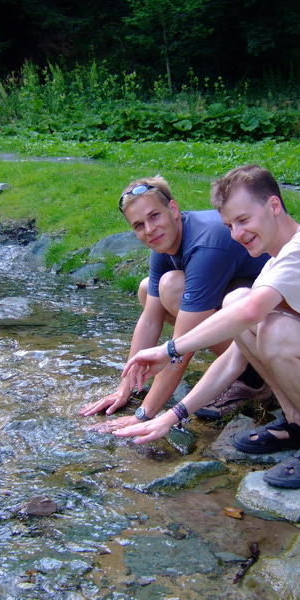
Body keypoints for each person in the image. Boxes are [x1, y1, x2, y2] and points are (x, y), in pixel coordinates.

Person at [114, 165, 300, 489]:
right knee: (237, 301)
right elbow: (235, 356)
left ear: (274, 207)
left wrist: (170, 349)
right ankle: (297, 423)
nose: (237, 234)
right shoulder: (273, 263)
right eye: (230, 225)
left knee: (267, 324)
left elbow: (251, 312)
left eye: (243, 220)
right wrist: (174, 416)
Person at [79, 175, 271, 431]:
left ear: (173, 209)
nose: (149, 229)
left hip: (273, 329)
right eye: (138, 225)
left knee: (171, 287)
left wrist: (144, 415)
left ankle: (254, 378)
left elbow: (181, 347)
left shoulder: (205, 244)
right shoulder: (164, 243)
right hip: (246, 309)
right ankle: (240, 367)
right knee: (149, 289)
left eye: (154, 216)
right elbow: (150, 319)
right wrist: (123, 389)